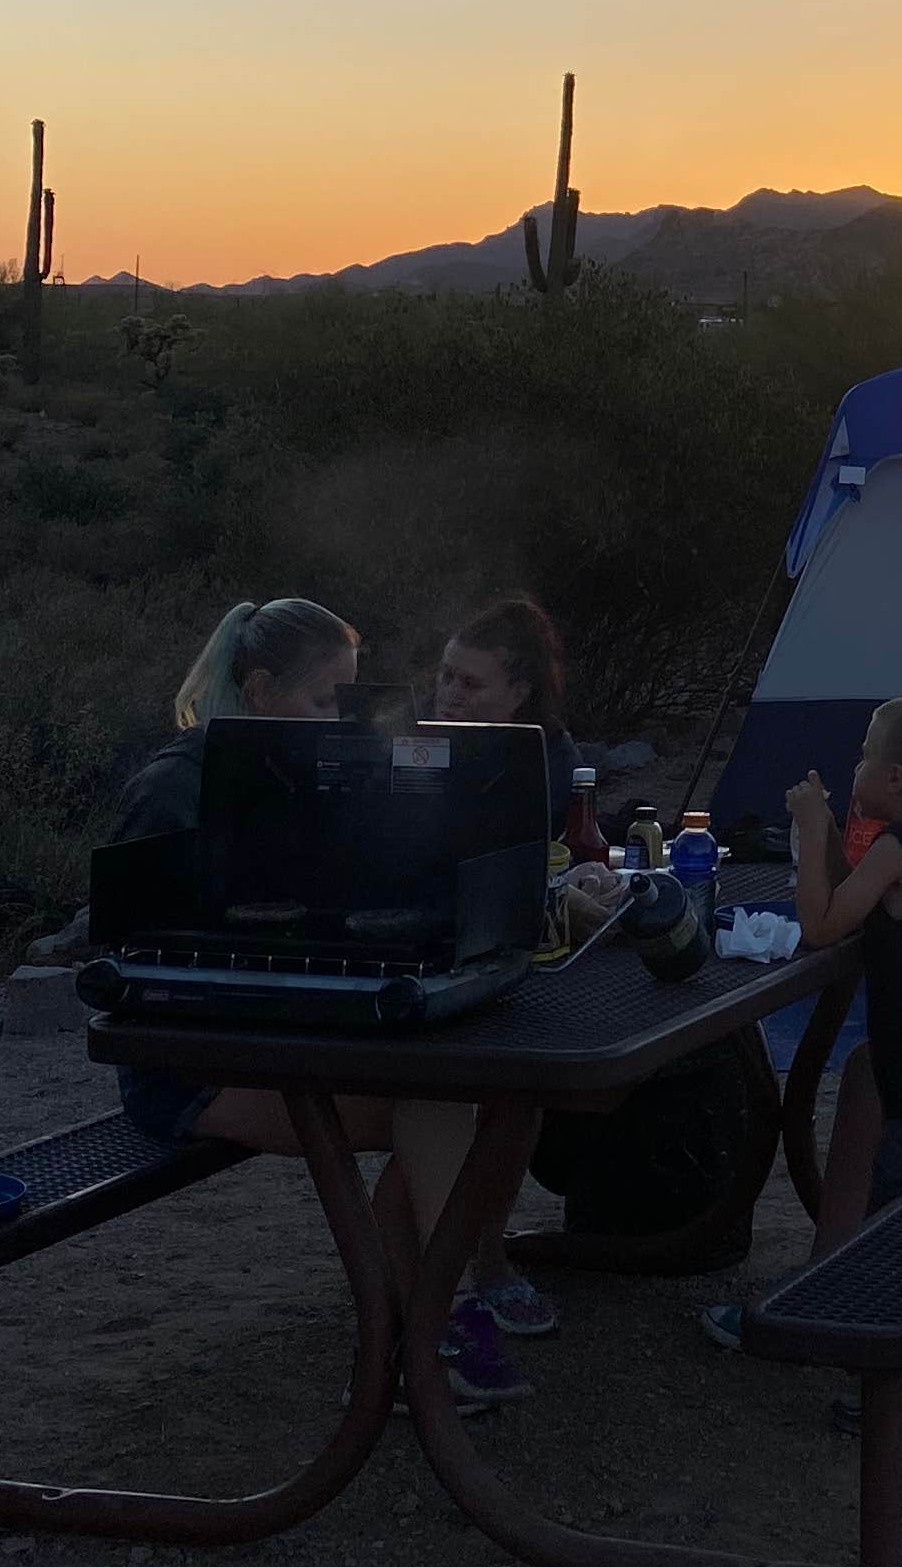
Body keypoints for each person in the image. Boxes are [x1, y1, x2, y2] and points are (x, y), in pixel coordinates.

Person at [100, 596, 531, 1410]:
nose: (343, 718)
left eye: (349, 699)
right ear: (260, 689)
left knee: (459, 1092)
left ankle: (429, 1318)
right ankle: (432, 1329)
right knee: (433, 1102)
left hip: (292, 1030)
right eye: (327, 699)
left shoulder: (298, 773)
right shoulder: (175, 789)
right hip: (194, 1065)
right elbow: (133, 960)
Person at [698, 696, 902, 1428]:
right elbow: (844, 890)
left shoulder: (899, 850)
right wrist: (828, 831)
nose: (854, 762)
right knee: (867, 1085)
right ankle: (833, 1306)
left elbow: (822, 923)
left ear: (894, 777)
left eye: (865, 754)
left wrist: (805, 831)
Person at [423, 596, 573, 1341]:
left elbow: (531, 862)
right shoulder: (412, 746)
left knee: (520, 1091)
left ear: (520, 694)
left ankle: (487, 1259)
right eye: (445, 676)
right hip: (419, 953)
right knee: (446, 1102)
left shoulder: (546, 759)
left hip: (502, 953)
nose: (449, 693)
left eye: (469, 684)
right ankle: (446, 1280)